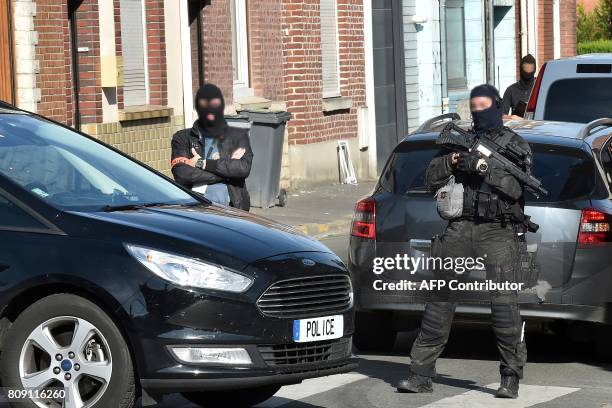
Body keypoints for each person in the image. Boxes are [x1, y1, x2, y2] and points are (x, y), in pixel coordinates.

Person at [396, 84, 531, 399]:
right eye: (475, 107)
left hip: (498, 231)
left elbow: (515, 190)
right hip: (460, 229)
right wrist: (455, 160)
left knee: (504, 307)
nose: (479, 112)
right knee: (439, 303)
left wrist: (485, 169)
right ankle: (420, 375)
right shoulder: (459, 140)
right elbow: (430, 177)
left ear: (497, 106)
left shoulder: (516, 145)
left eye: (485, 106)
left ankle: (510, 378)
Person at [171, 84, 253, 211]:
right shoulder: (182, 138)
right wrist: (226, 174)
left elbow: (243, 169)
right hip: (194, 204)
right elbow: (182, 173)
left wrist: (202, 163)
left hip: (233, 203)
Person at [502, 54, 537, 120]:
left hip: (538, 127)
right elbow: (501, 115)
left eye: (531, 68)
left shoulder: (540, 88)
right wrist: (511, 117)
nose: (528, 72)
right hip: (517, 128)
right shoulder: (511, 90)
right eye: (526, 68)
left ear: (534, 69)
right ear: (521, 69)